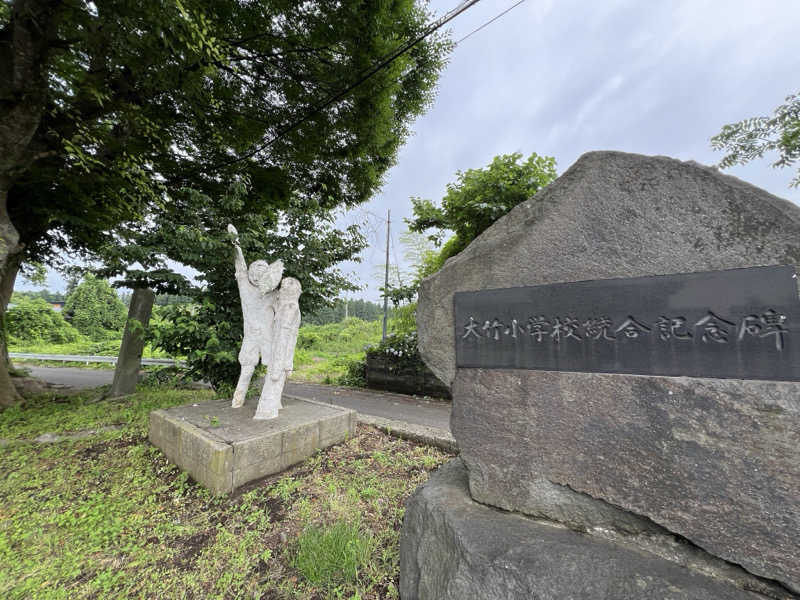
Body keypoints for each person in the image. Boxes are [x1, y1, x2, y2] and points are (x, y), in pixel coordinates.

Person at [227, 224, 284, 409]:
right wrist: (236, 246)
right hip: (251, 336)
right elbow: (240, 267)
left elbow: (285, 312)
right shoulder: (245, 288)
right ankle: (238, 399)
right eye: (256, 269)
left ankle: (273, 400)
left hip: (269, 336)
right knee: (247, 367)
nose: (259, 273)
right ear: (251, 273)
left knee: (273, 368)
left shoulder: (274, 294)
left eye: (263, 270)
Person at [254, 276, 302, 419]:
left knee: (274, 381)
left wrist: (281, 362)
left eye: (282, 289)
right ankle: (272, 406)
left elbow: (283, 336)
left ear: (288, 292)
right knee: (276, 381)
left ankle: (267, 410)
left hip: (280, 354)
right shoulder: (286, 306)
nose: (279, 292)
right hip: (281, 352)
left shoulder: (290, 308)